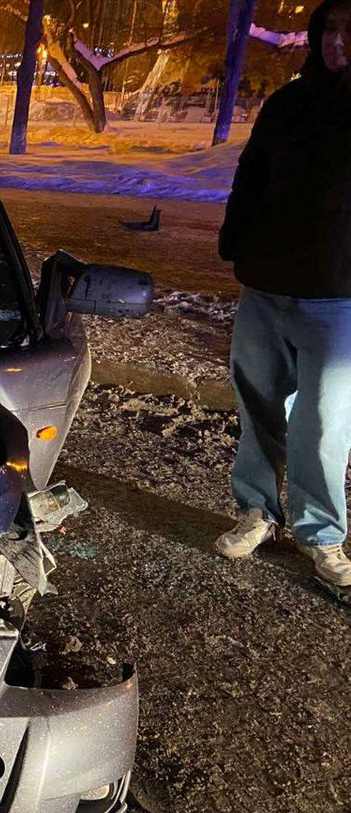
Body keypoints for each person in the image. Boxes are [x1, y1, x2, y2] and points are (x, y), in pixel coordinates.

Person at [216, 0, 351, 588]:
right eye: (329, 29)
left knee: (322, 424)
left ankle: (322, 534)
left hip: (337, 298)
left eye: (350, 31)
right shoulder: (289, 103)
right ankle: (257, 511)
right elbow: (251, 174)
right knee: (258, 407)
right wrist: (236, 242)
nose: (335, 41)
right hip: (266, 288)